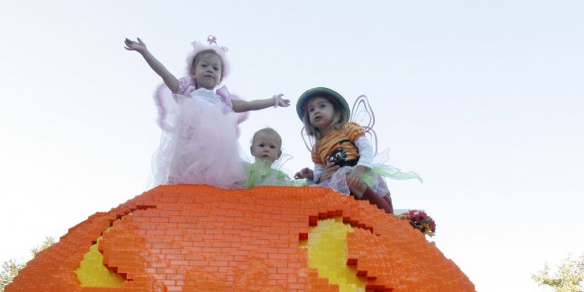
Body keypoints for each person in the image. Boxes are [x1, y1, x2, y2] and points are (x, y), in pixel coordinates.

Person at [124, 36, 290, 188]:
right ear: (194, 72)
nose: (210, 69)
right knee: (180, 179)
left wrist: (273, 101)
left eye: (215, 68)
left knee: (215, 184)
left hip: (215, 156)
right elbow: (164, 73)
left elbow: (249, 104)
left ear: (220, 78)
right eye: (204, 65)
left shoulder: (222, 100)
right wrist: (145, 52)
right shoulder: (186, 92)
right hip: (187, 150)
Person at [293, 88, 417, 214]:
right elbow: (320, 171)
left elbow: (366, 149)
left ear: (335, 110)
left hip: (355, 170)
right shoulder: (317, 147)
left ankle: (384, 212)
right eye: (311, 110)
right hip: (335, 180)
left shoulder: (347, 128)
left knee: (351, 181)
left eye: (322, 106)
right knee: (317, 194)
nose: (316, 111)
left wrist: (360, 169)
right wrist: (313, 176)